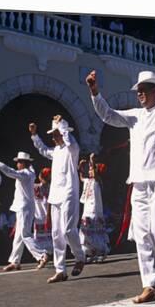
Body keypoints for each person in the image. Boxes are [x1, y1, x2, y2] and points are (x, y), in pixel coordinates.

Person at [86, 55, 155, 303]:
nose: (139, 94)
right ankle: (150, 284)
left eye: (143, 90)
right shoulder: (134, 116)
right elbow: (108, 115)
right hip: (139, 182)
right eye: (138, 91)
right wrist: (94, 93)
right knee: (142, 234)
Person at [30, 116, 85, 283]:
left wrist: (61, 125)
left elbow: (69, 141)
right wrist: (34, 135)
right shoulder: (56, 152)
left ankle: (80, 257)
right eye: (52, 134)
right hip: (55, 194)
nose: (53, 138)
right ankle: (60, 270)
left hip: (69, 192)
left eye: (56, 134)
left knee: (68, 230)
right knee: (56, 234)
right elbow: (43, 149)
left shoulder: (72, 149)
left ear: (63, 133)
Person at [0, 151, 49, 271]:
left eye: (18, 162)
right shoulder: (31, 172)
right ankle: (15, 261)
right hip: (24, 207)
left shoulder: (24, 174)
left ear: (23, 163)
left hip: (24, 207)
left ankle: (41, 255)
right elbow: (24, 168)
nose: (17, 164)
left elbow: (9, 171)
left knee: (25, 234)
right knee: (18, 235)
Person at [78, 153, 110, 263]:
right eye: (90, 169)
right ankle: (90, 252)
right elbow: (82, 177)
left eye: (92, 169)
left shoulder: (97, 181)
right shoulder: (88, 181)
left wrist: (91, 160)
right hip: (87, 208)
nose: (90, 170)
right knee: (86, 229)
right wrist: (81, 168)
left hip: (95, 209)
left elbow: (95, 174)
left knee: (95, 229)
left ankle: (101, 251)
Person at [33, 167, 54, 258]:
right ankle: (44, 255)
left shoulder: (50, 188)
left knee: (46, 238)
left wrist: (49, 217)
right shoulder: (36, 187)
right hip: (40, 216)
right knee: (41, 238)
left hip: (44, 216)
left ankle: (44, 255)